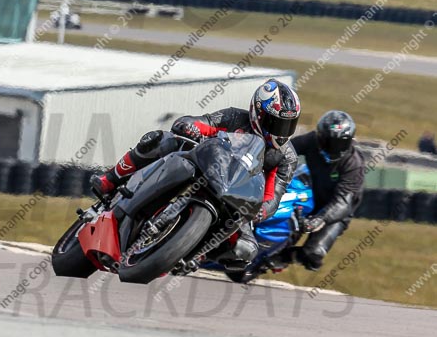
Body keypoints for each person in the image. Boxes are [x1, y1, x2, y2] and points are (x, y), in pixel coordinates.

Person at [90, 78, 301, 270]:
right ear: (258, 113)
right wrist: (190, 127)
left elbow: (274, 195)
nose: (281, 132)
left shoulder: (286, 156)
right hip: (204, 167)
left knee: (245, 250)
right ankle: (111, 179)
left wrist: (260, 211)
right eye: (276, 123)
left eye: (288, 125)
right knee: (161, 139)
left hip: (237, 197)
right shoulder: (235, 117)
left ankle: (192, 255)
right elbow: (197, 122)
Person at [284, 110, 365, 272]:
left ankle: (286, 257)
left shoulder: (353, 164)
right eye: (327, 141)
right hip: (310, 197)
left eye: (338, 144)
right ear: (320, 136)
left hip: (335, 212)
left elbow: (343, 202)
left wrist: (320, 219)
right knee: (281, 226)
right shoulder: (311, 140)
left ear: (349, 141)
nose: (331, 148)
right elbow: (286, 149)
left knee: (313, 255)